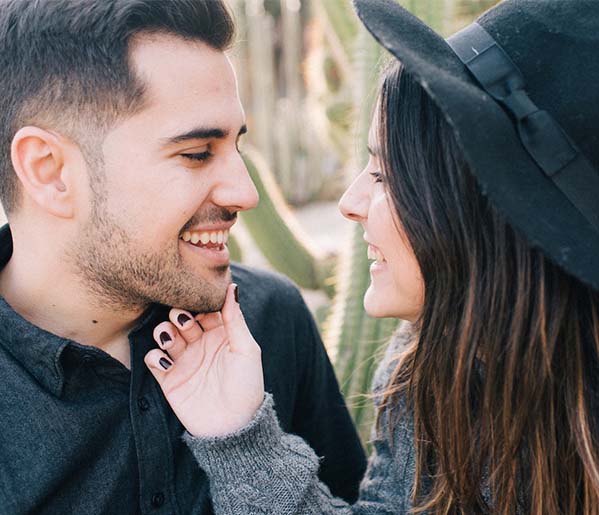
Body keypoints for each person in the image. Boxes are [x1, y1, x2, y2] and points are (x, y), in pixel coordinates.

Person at [144, 0, 599, 513]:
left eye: (384, 175)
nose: (349, 202)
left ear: (482, 210)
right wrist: (238, 436)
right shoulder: (425, 370)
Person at [0, 1, 367, 513]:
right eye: (196, 153)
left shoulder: (269, 319)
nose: (245, 193)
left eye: (237, 147)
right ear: (49, 171)